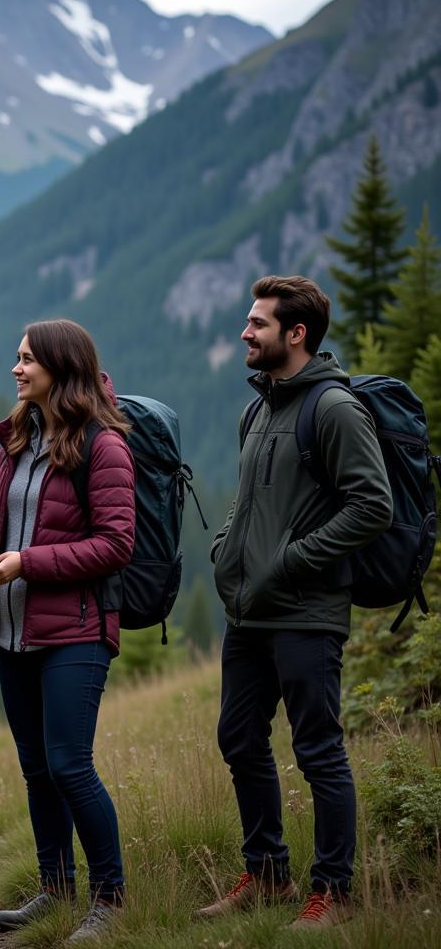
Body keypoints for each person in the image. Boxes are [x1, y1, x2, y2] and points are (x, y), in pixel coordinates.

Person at [0, 319, 135, 944]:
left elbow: (116, 543)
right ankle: (55, 889)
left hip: (76, 632)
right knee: (36, 769)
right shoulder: (20, 438)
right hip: (15, 634)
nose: (16, 370)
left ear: (60, 366)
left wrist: (29, 564)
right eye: (16, 359)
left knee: (70, 765)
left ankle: (111, 899)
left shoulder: (104, 446)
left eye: (27, 360)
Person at [200, 275, 392, 929]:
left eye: (257, 323)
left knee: (318, 750)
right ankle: (268, 875)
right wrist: (229, 543)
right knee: (239, 738)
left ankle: (332, 891)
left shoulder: (332, 408)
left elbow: (373, 504)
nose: (246, 333)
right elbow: (253, 499)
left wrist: (292, 559)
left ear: (296, 333)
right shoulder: (258, 408)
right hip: (248, 612)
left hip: (306, 612)